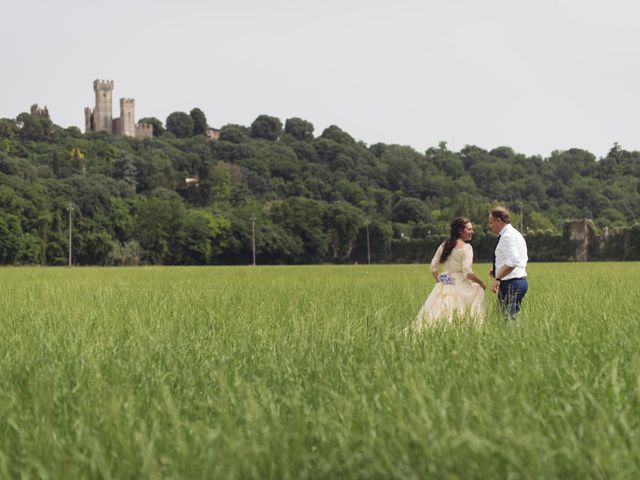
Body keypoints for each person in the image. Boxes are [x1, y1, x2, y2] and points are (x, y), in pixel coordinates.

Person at [412, 217, 486, 330]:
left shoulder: (444, 245)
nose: (472, 232)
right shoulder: (467, 248)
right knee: (475, 293)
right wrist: (481, 283)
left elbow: (433, 267)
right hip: (460, 284)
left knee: (438, 315)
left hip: (444, 283)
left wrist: (440, 281)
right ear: (460, 231)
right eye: (469, 229)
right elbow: (467, 272)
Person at [488, 207, 528, 319]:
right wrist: (496, 269)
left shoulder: (507, 237)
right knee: (505, 318)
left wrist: (498, 278)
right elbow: (514, 258)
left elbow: (513, 261)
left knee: (507, 321)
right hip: (517, 281)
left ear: (499, 221)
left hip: (512, 283)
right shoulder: (515, 234)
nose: (490, 226)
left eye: (491, 223)